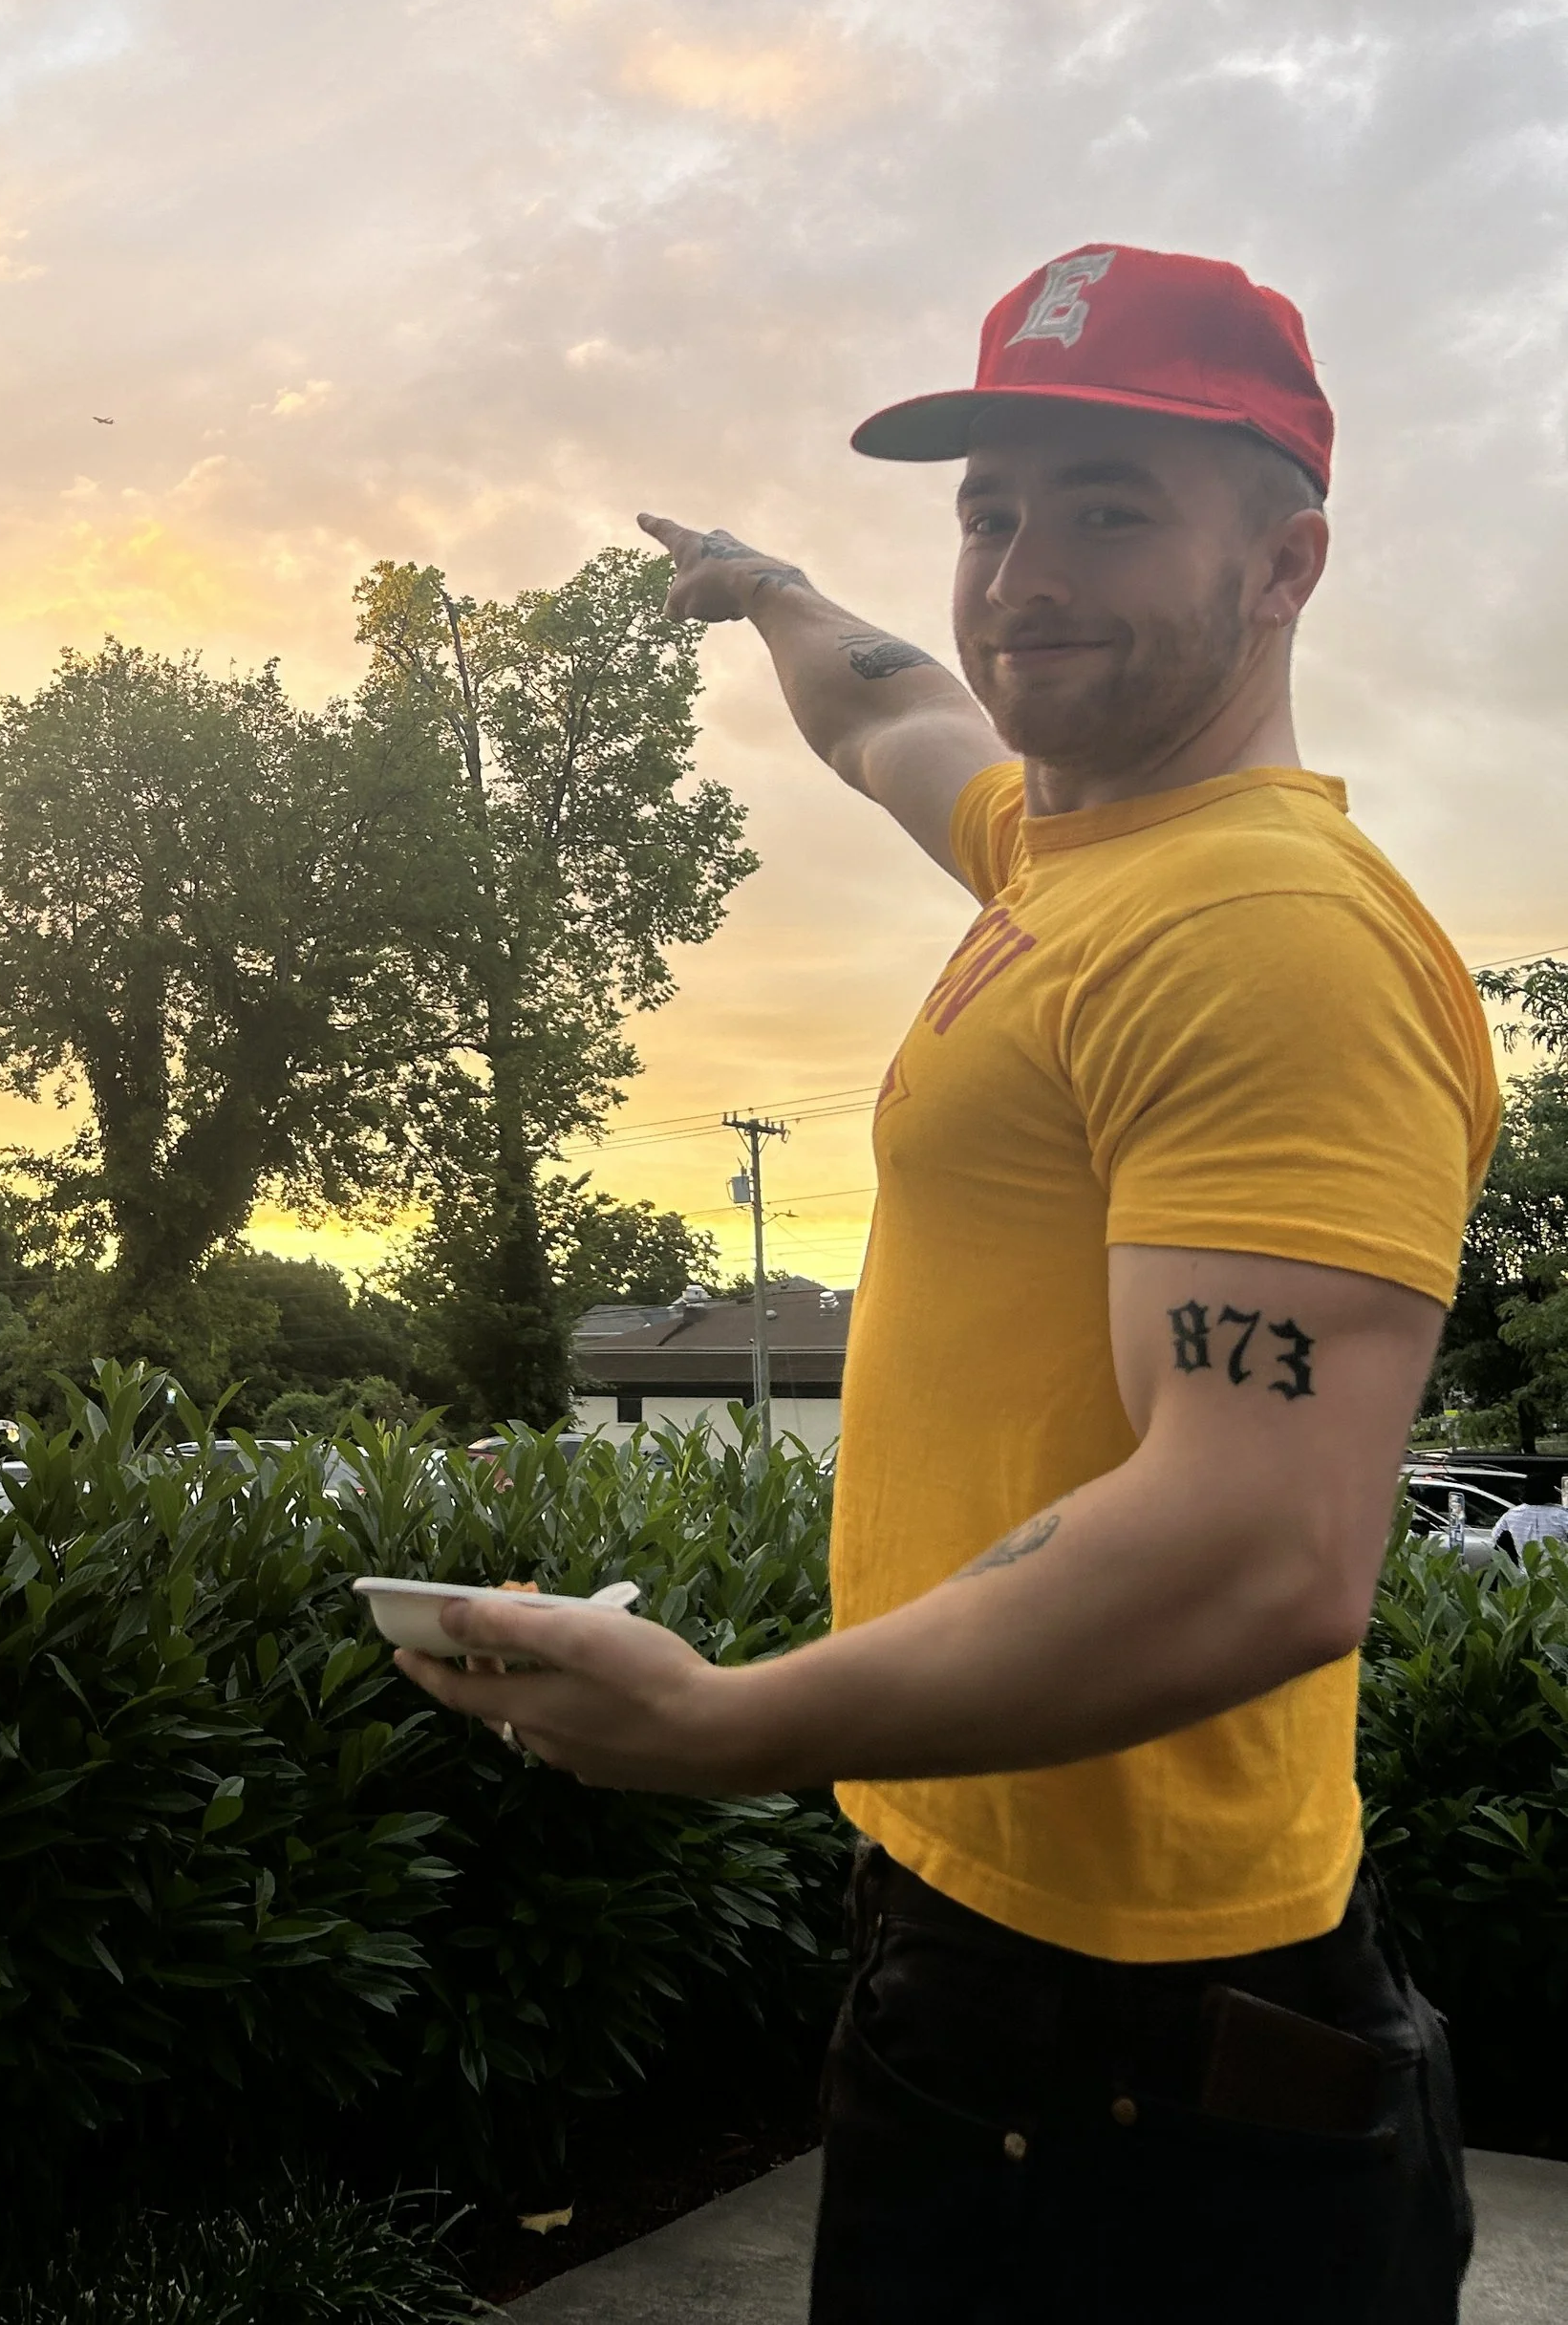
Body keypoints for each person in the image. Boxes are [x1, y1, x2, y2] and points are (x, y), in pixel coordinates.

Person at [390, 244, 1497, 2325]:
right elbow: (888, 708)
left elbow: (1257, 1548)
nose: (1022, 573)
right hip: (1002, 1977)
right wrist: (768, 586)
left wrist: (725, 1726)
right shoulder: (1062, 861)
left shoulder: (1263, 931)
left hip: (1140, 2071)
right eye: (989, 512)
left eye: (1107, 509)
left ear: (1285, 564)